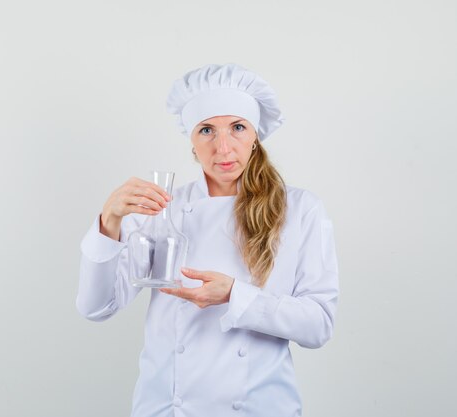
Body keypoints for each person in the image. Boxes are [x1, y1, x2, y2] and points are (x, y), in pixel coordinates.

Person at [76, 63, 339, 417]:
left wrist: (234, 294)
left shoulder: (301, 210)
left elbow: (318, 324)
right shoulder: (162, 210)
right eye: (207, 131)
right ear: (191, 141)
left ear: (256, 135)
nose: (223, 147)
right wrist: (109, 222)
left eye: (237, 127)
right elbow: (96, 307)